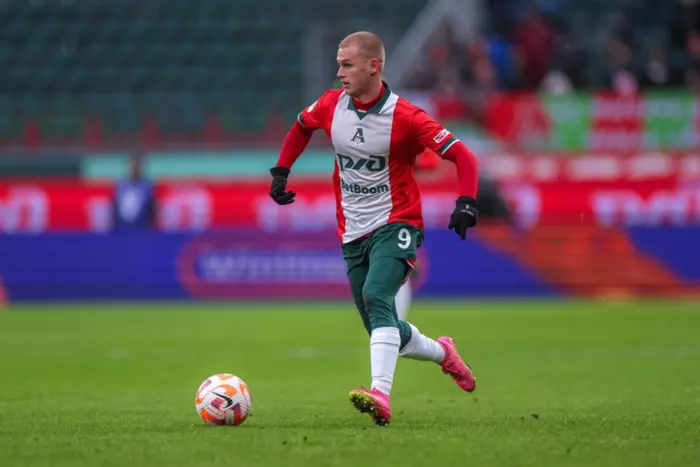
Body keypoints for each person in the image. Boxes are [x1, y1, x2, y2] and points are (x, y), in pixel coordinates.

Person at [269, 31, 479, 427]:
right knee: (382, 327)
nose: (339, 72)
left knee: (377, 295)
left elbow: (462, 155)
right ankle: (444, 353)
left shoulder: (406, 117)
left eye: (347, 65)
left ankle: (380, 393)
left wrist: (466, 201)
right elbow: (300, 126)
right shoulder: (331, 105)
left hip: (398, 221)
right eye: (338, 64)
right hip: (352, 231)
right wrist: (281, 171)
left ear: (373, 66)